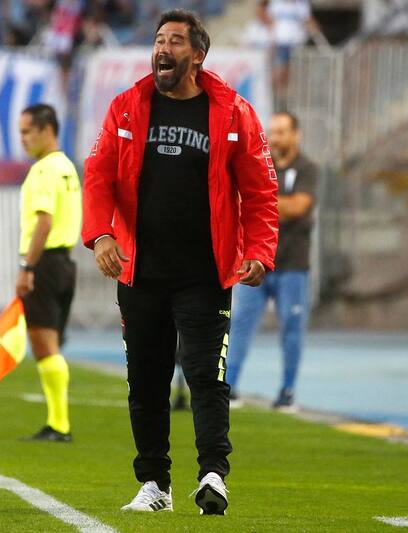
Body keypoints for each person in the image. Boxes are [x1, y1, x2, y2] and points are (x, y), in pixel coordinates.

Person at [82, 9, 279, 515]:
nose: (162, 49)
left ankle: (213, 475)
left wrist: (259, 251)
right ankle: (155, 486)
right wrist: (101, 235)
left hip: (205, 275)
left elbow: (261, 193)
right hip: (140, 272)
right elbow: (98, 176)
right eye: (158, 40)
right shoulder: (127, 107)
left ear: (198, 55)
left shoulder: (234, 112)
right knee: (145, 383)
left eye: (174, 41)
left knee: (206, 378)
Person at [226, 111, 318, 412]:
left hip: (292, 264)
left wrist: (260, 201)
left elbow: (299, 207)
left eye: (281, 132)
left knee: (292, 327)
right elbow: (241, 201)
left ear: (296, 135)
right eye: (272, 131)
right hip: (255, 260)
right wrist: (268, 203)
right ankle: (229, 387)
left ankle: (287, 391)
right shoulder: (259, 164)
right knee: (240, 323)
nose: (275, 137)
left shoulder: (307, 169)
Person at [16, 104, 82, 443]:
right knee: (52, 342)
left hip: (45, 263)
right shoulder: (66, 167)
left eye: (27, 131)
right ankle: (58, 423)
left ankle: (59, 424)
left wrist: (27, 267)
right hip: (65, 264)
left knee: (45, 345)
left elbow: (44, 222)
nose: (23, 139)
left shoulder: (43, 170)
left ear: (46, 130)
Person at [267, 0, 319, 107]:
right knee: (279, 73)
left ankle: (290, 102)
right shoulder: (276, 3)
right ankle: (278, 101)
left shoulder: (301, 4)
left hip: (296, 45)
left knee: (293, 75)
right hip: (281, 44)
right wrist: (271, 43)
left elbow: (308, 20)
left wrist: (317, 33)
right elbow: (271, 23)